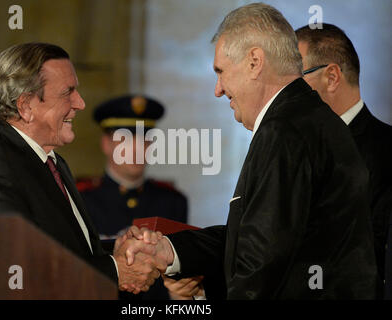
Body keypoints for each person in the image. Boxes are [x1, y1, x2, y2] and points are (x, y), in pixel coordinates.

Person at [122, 3, 378, 299]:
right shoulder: (306, 118)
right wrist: (170, 250)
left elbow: (261, 266)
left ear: (255, 62)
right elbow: (256, 238)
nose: (218, 89)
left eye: (221, 71)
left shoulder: (285, 128)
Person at [0, 42, 163, 294]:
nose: (80, 103)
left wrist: (114, 251)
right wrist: (115, 270)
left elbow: (62, 250)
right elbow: (16, 274)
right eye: (68, 92)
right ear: (26, 106)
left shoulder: (50, 160)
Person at [295, 23, 392, 298]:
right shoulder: (293, 154)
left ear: (332, 77)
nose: (284, 95)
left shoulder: (386, 153)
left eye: (294, 81)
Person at [78, 94, 188, 300]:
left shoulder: (173, 201)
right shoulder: (81, 200)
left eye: (144, 140)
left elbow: (178, 282)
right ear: (106, 144)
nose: (137, 149)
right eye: (125, 140)